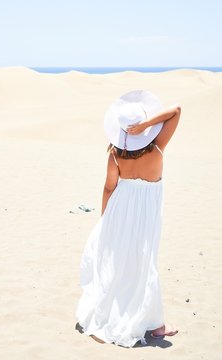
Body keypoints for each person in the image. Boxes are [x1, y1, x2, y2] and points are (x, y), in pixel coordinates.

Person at [76, 90, 181, 347]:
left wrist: (105, 219)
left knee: (121, 260)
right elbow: (176, 110)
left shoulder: (115, 154)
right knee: (144, 260)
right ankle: (155, 325)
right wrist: (146, 125)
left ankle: (130, 314)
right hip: (147, 213)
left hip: (120, 210)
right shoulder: (157, 148)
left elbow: (109, 187)